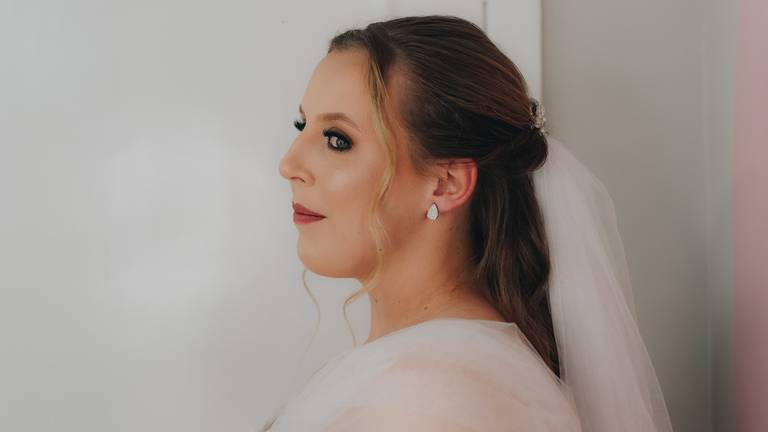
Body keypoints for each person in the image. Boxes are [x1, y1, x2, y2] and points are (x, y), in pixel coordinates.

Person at [266, 15, 675, 432]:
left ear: (446, 183)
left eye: (337, 140)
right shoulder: (434, 372)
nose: (288, 164)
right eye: (302, 125)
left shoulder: (431, 397)